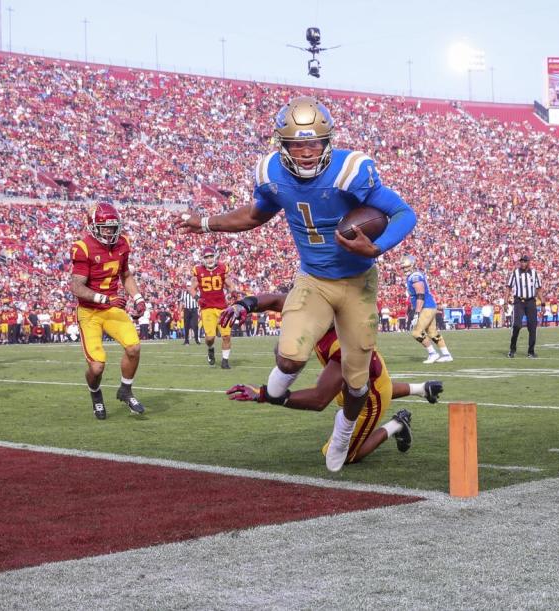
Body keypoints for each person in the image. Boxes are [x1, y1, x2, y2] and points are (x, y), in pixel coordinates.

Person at [178, 95, 416, 472]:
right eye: (297, 144)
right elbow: (254, 215)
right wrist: (207, 223)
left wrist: (378, 246)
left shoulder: (350, 171)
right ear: (282, 145)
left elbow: (404, 212)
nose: (306, 152)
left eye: (314, 142)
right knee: (290, 355)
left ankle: (342, 434)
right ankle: (274, 388)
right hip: (314, 279)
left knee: (356, 383)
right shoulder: (271, 174)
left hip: (358, 284)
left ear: (328, 141)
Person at [220, 293, 443, 465]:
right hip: (367, 377)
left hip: (368, 397)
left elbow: (319, 400)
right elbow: (277, 300)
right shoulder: (320, 307)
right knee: (354, 388)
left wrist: (265, 395)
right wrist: (244, 304)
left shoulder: (343, 341)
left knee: (344, 455)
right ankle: (421, 389)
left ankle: (396, 424)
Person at [70, 202, 147, 420]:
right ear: (93, 226)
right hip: (91, 311)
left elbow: (125, 275)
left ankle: (126, 389)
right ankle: (95, 394)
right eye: (105, 227)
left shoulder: (122, 243)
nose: (110, 232)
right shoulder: (83, 247)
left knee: (134, 347)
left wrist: (138, 298)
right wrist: (104, 298)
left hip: (112, 308)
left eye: (113, 227)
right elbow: (76, 286)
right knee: (96, 367)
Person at [401, 255, 453, 363]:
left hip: (426, 307)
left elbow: (420, 295)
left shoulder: (415, 276)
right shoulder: (413, 275)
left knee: (416, 333)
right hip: (429, 306)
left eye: (406, 267)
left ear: (412, 265)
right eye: (403, 267)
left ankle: (432, 353)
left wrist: (417, 313)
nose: (404, 269)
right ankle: (446, 355)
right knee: (432, 333)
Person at [192, 246, 233, 368]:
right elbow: (192, 289)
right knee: (210, 338)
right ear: (203, 259)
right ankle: (210, 349)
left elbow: (230, 285)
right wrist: (197, 298)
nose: (209, 259)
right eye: (207, 257)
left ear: (215, 257)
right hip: (207, 307)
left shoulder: (222, 268)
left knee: (226, 336)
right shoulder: (198, 270)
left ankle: (225, 361)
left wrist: (232, 293)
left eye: (211, 256)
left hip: (222, 307)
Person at [507, 254, 543, 358]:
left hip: (531, 301)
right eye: (521, 261)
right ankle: (512, 349)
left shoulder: (534, 273)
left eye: (525, 261)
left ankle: (531, 351)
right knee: (517, 325)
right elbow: (508, 287)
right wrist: (505, 302)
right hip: (519, 301)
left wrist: (543, 302)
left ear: (528, 262)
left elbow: (539, 288)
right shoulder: (515, 273)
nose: (523, 263)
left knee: (532, 327)